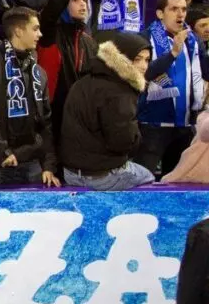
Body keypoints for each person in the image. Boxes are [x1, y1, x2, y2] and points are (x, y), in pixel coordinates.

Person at [0, 7, 59, 186]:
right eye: (35, 29)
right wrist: (2, 151)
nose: (40, 34)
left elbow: (45, 123)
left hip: (31, 163)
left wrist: (49, 165)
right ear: (18, 31)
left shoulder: (38, 72)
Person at [60, 33, 155, 190]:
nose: (144, 66)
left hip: (70, 173)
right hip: (101, 175)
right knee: (148, 178)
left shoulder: (83, 81)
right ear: (121, 57)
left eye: (147, 60)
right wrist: (137, 139)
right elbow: (122, 142)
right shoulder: (120, 91)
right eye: (137, 59)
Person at [138, 0, 208, 176]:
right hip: (153, 125)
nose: (180, 14)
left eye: (183, 9)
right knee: (144, 180)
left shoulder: (194, 40)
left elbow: (206, 71)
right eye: (174, 9)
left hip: (185, 124)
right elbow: (142, 74)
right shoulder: (145, 37)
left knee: (177, 183)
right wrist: (173, 53)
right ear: (160, 14)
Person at [37, 0, 97, 139]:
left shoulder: (88, 40)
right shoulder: (50, 33)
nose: (82, 4)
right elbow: (51, 10)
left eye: (84, 0)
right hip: (51, 118)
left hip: (80, 119)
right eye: (75, 0)